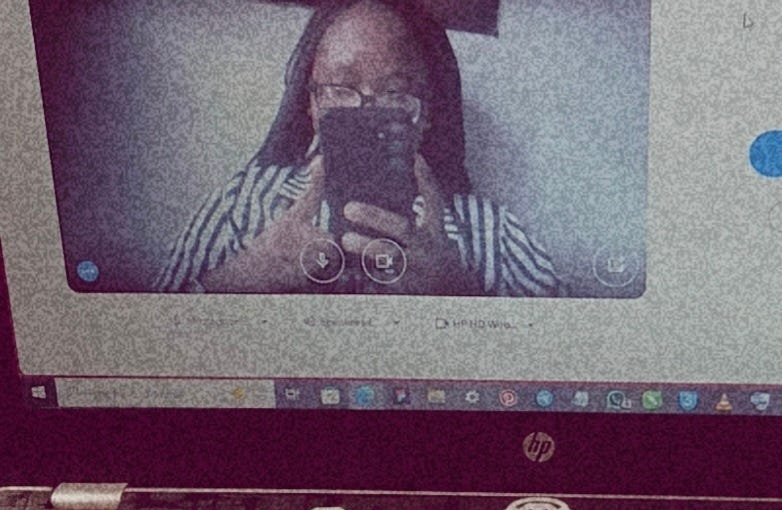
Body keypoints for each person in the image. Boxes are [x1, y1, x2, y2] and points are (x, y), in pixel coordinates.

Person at [155, 0, 562, 296]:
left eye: (395, 92)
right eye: (339, 88)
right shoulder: (242, 202)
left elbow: (568, 359)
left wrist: (461, 296)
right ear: (311, 104)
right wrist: (242, 277)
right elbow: (144, 343)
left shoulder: (494, 233)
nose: (365, 110)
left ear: (428, 114)